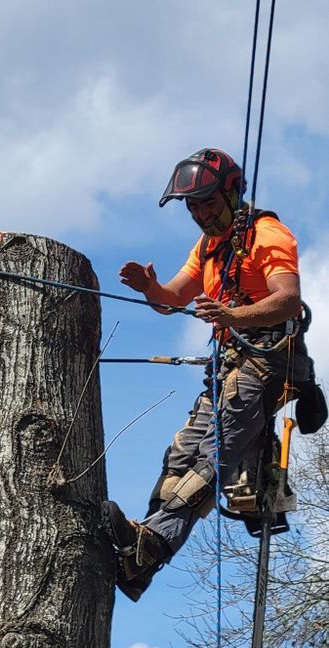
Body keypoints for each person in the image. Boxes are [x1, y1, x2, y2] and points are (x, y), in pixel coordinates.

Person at [102, 147, 313, 601]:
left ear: (232, 192)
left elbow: (288, 299)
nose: (200, 214)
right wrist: (149, 288)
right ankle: (141, 555)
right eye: (192, 206)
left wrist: (234, 317)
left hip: (266, 366)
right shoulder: (209, 248)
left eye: (207, 203)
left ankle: (151, 546)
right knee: (180, 457)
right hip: (229, 369)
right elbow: (172, 298)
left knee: (212, 461)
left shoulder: (267, 234)